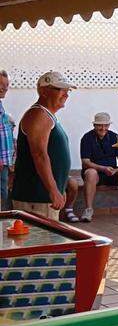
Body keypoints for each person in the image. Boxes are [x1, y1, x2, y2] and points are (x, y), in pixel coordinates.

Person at [10, 71, 75, 220]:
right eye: (60, 89)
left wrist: (59, 188)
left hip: (43, 198)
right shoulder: (39, 115)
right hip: (36, 198)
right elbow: (39, 154)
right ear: (43, 91)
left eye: (67, 90)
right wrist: (53, 190)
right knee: (41, 242)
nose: (66, 94)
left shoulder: (47, 115)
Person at [0, 70, 15, 209]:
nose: (5, 88)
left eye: (7, 84)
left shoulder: (1, 106)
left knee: (3, 192)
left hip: (4, 161)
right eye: (1, 84)